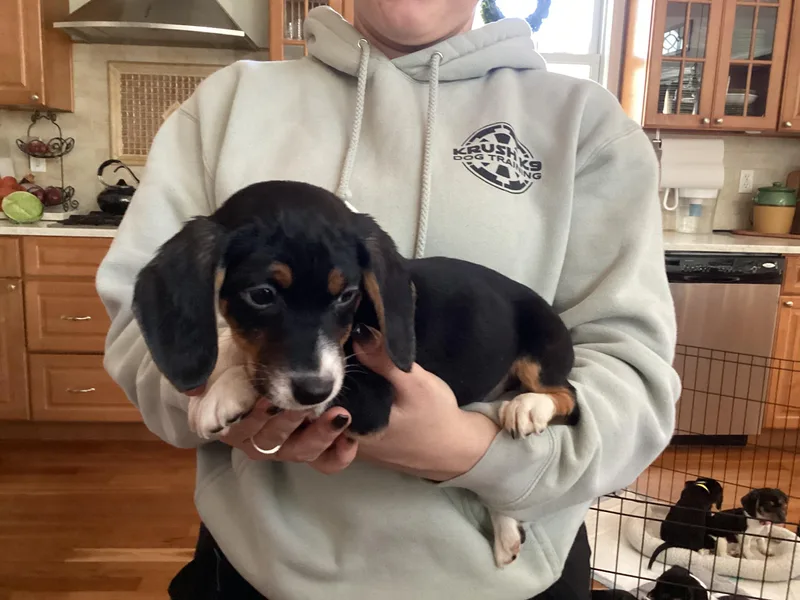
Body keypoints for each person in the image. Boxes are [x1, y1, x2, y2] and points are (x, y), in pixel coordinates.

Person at [96, 1, 681, 598]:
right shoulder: (226, 105)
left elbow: (633, 376)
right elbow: (145, 332)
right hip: (261, 571)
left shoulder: (585, 123)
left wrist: (472, 453)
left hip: (514, 574)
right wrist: (218, 393)